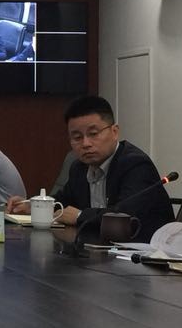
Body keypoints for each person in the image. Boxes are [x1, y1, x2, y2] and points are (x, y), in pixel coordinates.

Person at [10, 94, 173, 238]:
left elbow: (124, 215)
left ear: (114, 132)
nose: (85, 144)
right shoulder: (79, 168)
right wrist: (34, 206)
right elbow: (62, 201)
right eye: (77, 137)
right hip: (99, 249)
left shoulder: (135, 165)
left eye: (93, 134)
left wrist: (80, 216)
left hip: (145, 252)